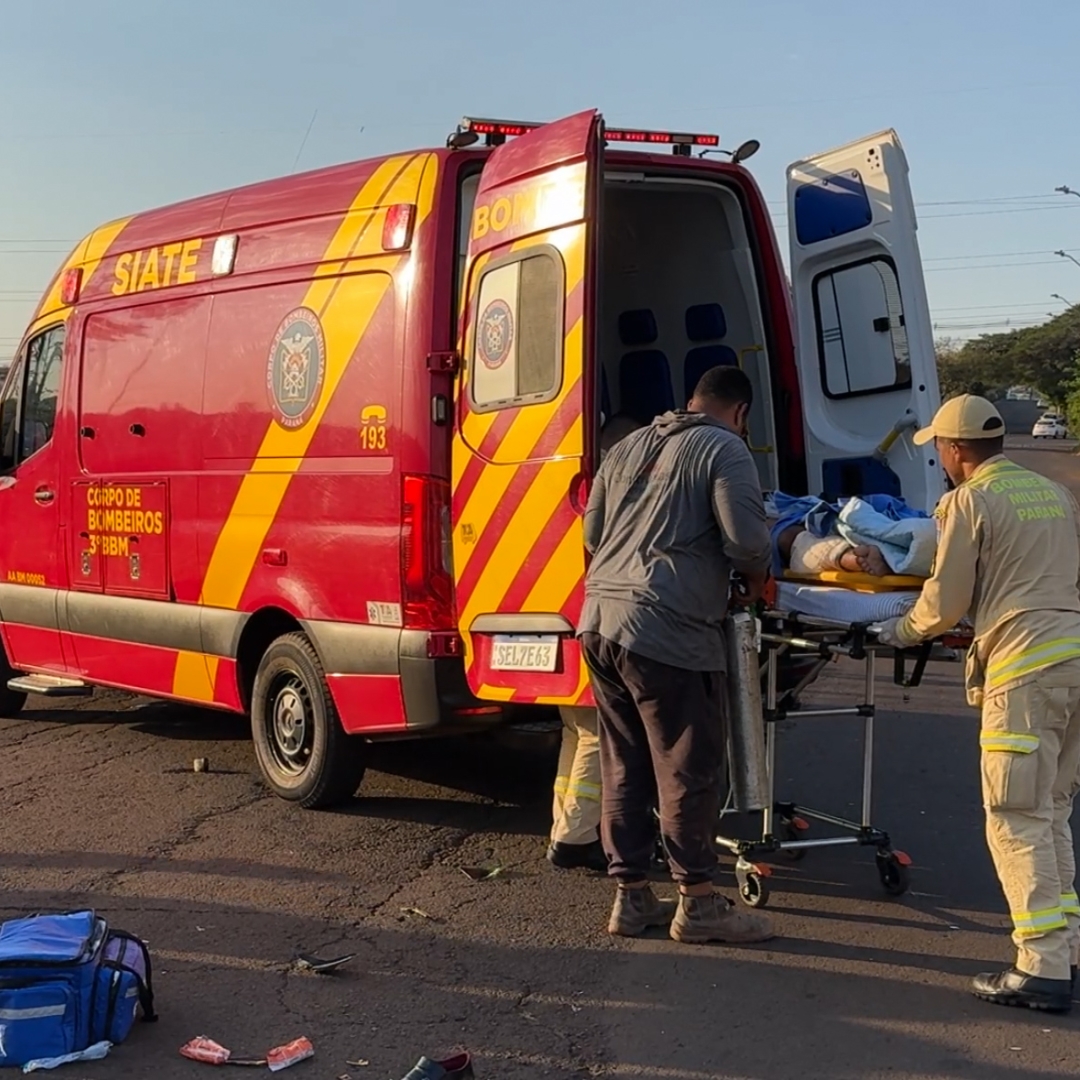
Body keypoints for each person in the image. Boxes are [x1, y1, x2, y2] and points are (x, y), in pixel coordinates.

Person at [878, 394, 1080, 1013]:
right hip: (1073, 657)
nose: (939, 458)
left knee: (1014, 815)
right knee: (1049, 808)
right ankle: (1065, 951)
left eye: (939, 447)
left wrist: (899, 631)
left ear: (956, 449)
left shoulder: (969, 499)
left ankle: (1041, 968)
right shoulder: (1052, 493)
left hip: (1024, 670)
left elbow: (944, 601)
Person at [579, 365, 774, 944]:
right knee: (686, 766)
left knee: (624, 762)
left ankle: (632, 898)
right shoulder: (726, 449)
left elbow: (592, 535)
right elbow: (746, 541)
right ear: (740, 412)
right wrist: (755, 578)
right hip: (667, 630)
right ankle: (698, 904)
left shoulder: (626, 445)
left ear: (693, 400)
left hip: (599, 623)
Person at [547, 413, 645, 874]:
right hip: (602, 624)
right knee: (595, 732)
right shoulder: (622, 492)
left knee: (576, 731)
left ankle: (564, 831)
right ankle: (575, 838)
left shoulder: (583, 487)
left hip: (570, 621)